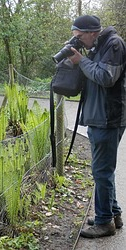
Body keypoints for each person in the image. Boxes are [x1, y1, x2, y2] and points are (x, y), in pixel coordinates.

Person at [68, 15, 126, 238]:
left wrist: (81, 61)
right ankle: (113, 214)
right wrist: (78, 59)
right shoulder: (97, 46)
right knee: (103, 171)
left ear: (92, 32)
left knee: (101, 171)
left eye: (80, 37)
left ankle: (104, 223)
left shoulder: (114, 44)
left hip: (108, 118)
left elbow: (105, 77)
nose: (79, 41)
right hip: (98, 117)